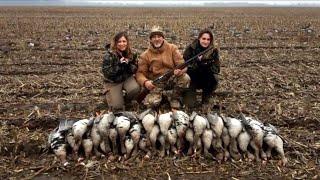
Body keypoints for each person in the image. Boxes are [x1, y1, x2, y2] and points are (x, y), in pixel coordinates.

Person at [136, 26, 190, 109]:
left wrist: (180, 71)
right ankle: (164, 96)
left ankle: (174, 98)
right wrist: (146, 82)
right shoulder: (145, 55)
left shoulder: (172, 48)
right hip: (157, 83)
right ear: (150, 40)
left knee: (185, 78)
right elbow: (140, 74)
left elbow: (182, 65)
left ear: (163, 38)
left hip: (172, 78)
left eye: (159, 36)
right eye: (154, 37)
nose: (156, 39)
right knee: (151, 104)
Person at [102, 31, 140, 111]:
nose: (122, 44)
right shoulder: (109, 55)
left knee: (136, 89)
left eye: (124, 41)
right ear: (115, 43)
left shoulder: (131, 53)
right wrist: (119, 65)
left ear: (127, 42)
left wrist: (128, 65)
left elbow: (135, 68)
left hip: (126, 79)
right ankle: (110, 97)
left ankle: (126, 100)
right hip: (113, 82)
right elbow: (107, 73)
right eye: (119, 41)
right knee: (117, 107)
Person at [183, 29, 220, 108]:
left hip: (206, 78)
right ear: (199, 38)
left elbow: (217, 69)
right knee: (190, 105)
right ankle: (186, 94)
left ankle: (206, 97)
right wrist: (197, 62)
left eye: (208, 39)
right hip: (192, 78)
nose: (206, 41)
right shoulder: (190, 49)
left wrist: (206, 65)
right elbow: (185, 66)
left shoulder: (214, 51)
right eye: (203, 39)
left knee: (215, 78)